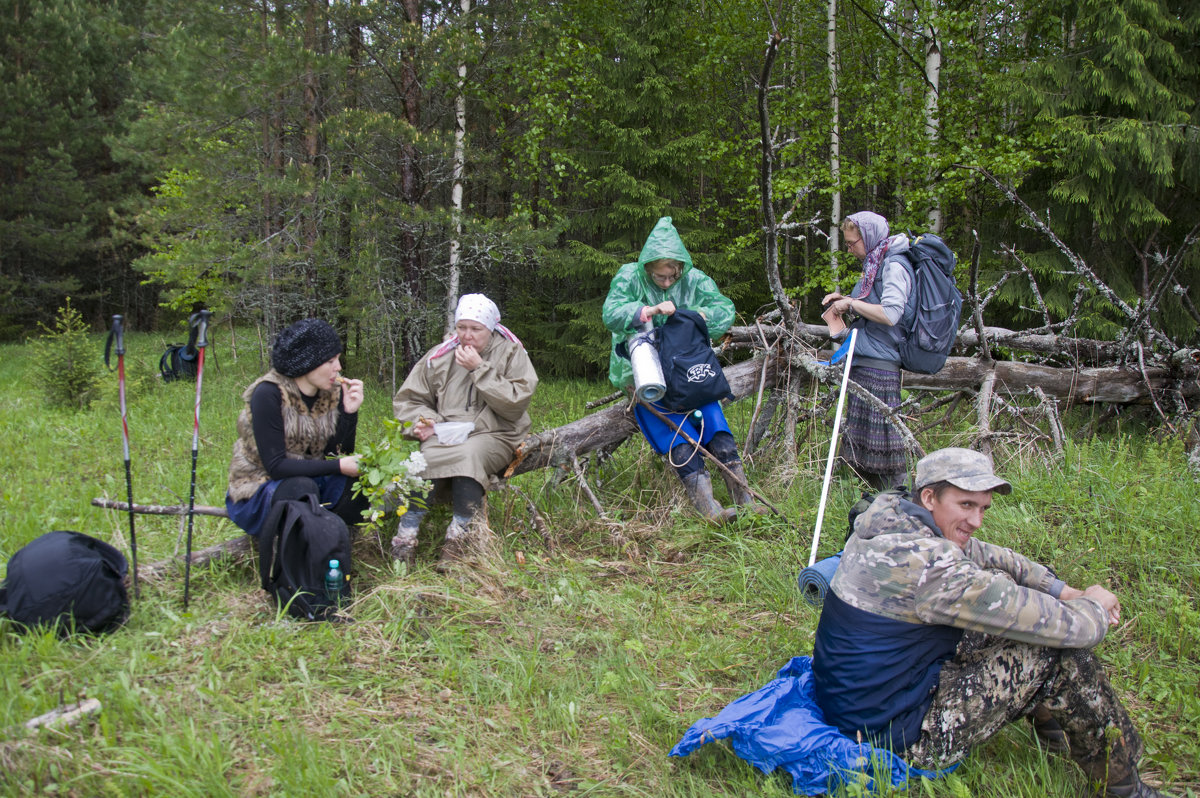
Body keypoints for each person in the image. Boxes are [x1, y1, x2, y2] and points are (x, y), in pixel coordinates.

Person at [812, 447, 1168, 798]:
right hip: (897, 737)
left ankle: (1053, 727)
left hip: (860, 703)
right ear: (930, 496)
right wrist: (1096, 604)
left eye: (983, 508)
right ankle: (1124, 787)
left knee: (1001, 582)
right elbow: (1077, 629)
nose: (977, 520)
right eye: (966, 505)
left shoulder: (888, 522)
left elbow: (983, 553)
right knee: (1056, 649)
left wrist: (1061, 590)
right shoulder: (934, 571)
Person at [602, 216, 761, 523]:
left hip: (688, 369)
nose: (666, 283)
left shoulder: (695, 280)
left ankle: (744, 497)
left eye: (672, 276)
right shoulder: (629, 277)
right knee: (675, 434)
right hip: (643, 372)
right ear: (648, 267)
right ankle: (708, 509)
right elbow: (612, 313)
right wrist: (648, 311)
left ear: (680, 267)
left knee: (714, 424)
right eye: (660, 277)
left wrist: (699, 315)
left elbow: (723, 310)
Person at [391, 294, 538, 567]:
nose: (467, 336)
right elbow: (409, 399)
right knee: (423, 461)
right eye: (462, 328)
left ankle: (458, 541)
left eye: (475, 329)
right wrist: (426, 421)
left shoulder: (510, 352)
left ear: (490, 328)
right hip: (447, 431)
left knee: (468, 456)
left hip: (496, 432)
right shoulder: (441, 355)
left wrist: (478, 369)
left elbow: (515, 403)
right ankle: (406, 537)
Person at [226, 318, 367, 536]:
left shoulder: (331, 393)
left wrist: (349, 413)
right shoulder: (268, 393)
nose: (338, 368)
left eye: (337, 359)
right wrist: (339, 466)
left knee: (358, 486)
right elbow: (276, 466)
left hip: (309, 480)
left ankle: (332, 539)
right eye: (330, 361)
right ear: (307, 363)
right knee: (302, 488)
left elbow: (334, 454)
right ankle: (299, 544)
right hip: (259, 487)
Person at [821, 211, 913, 490]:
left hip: (881, 365)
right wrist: (846, 299)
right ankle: (869, 502)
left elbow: (891, 313)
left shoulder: (893, 265)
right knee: (864, 446)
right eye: (847, 244)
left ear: (869, 237)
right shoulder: (875, 264)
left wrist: (850, 304)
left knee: (885, 445)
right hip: (867, 359)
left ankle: (900, 499)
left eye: (852, 243)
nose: (850, 250)